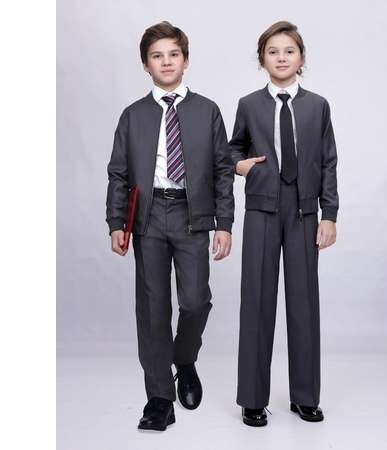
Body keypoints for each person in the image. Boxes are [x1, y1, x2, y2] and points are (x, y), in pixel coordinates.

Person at [105, 21, 234, 431]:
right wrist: (116, 222)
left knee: (195, 301)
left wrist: (224, 224)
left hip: (192, 215)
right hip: (147, 218)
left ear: (186, 60)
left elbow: (223, 170)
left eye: (173, 54)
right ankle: (159, 398)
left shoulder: (207, 111)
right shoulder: (133, 116)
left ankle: (185, 357)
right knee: (153, 309)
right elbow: (118, 173)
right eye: (157, 56)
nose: (166, 62)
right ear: (146, 65)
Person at [229, 20, 339, 427]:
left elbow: (328, 161)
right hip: (262, 209)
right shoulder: (249, 104)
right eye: (272, 51)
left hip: (304, 212)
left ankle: (305, 397)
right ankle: (252, 399)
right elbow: (231, 150)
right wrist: (242, 166)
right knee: (257, 301)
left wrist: (329, 215)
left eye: (289, 50)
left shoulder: (317, 106)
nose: (281, 57)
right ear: (262, 59)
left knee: (303, 304)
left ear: (301, 57)